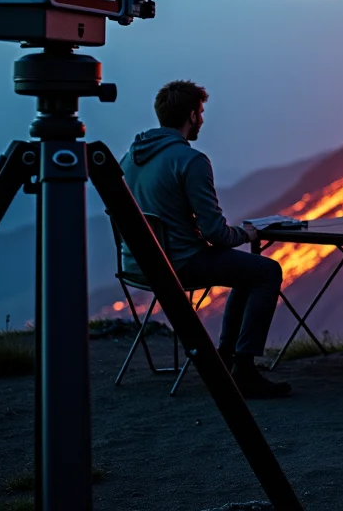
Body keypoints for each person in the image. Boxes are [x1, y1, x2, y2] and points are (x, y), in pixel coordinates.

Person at [119, 80, 290, 399]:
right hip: (179, 264)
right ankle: (243, 369)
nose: (202, 119)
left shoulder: (128, 160)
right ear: (192, 116)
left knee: (247, 273)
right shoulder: (190, 161)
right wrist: (245, 233)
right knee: (266, 271)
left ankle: (224, 359)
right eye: (200, 112)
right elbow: (215, 233)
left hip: (137, 264)